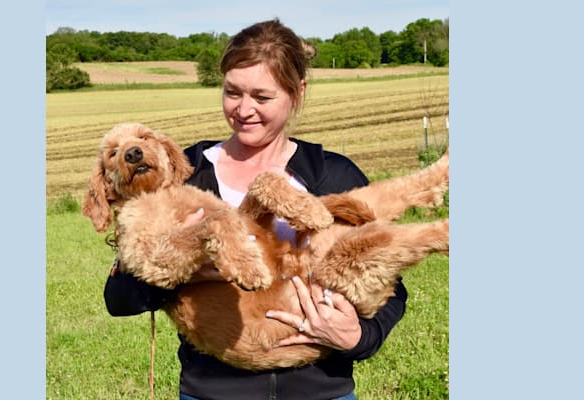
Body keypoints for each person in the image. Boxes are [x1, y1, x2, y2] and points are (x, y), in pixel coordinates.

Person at [103, 19, 408, 400]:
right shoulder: (186, 173)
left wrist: (360, 336)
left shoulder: (333, 174)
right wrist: (182, 268)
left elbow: (390, 282)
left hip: (321, 390)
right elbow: (118, 297)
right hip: (212, 391)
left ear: (297, 93)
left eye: (262, 98)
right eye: (232, 92)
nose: (244, 110)